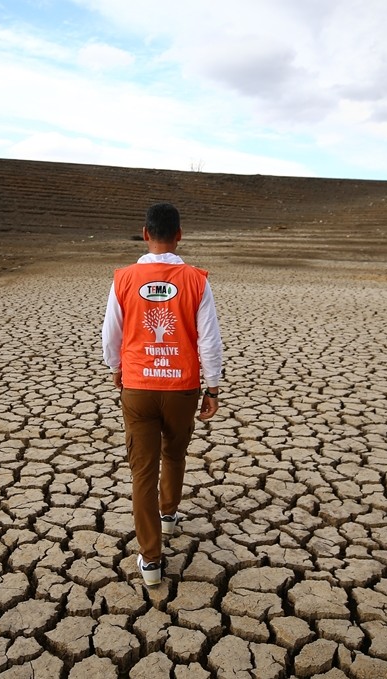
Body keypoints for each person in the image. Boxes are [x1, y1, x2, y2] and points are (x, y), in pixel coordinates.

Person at [101, 202, 223, 586]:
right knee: (174, 452)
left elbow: (111, 336)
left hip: (138, 386)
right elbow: (210, 340)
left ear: (145, 233)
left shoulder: (123, 279)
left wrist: (118, 369)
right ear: (180, 235)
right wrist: (213, 386)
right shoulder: (196, 280)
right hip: (181, 386)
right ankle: (168, 516)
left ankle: (150, 561)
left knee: (142, 471)